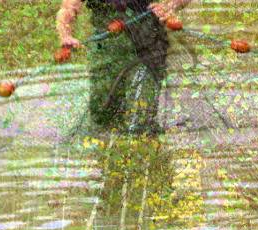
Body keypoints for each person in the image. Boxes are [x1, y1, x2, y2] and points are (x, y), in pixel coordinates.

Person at [56, 1, 193, 136]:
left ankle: (144, 147)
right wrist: (66, 36)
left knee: (142, 119)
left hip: (149, 44)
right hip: (108, 47)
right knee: (103, 118)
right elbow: (68, 8)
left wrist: (169, 6)